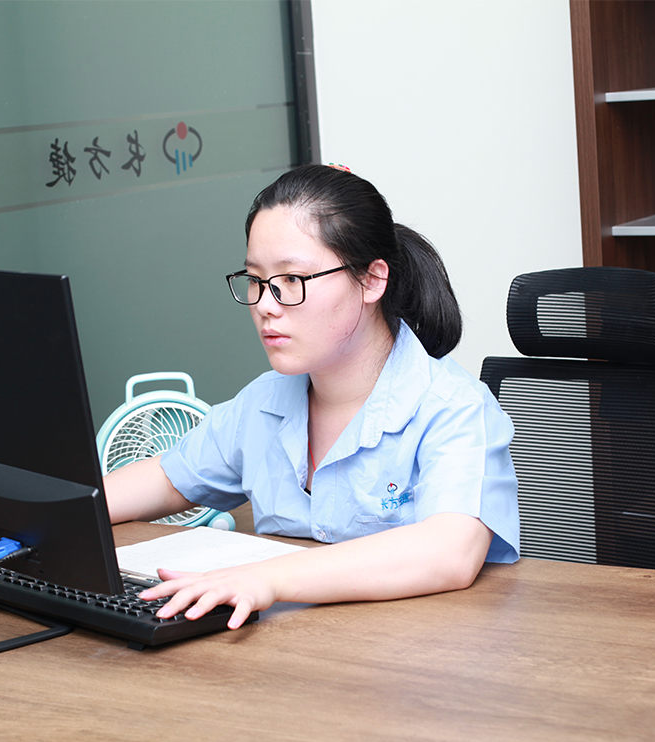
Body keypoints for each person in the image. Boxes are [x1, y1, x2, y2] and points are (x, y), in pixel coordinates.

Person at [104, 163, 519, 629]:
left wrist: (267, 579)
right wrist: (50, 513)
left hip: (420, 650)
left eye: (291, 280)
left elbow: (450, 551)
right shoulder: (263, 402)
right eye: (256, 280)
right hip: (291, 647)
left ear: (371, 280)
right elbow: (167, 479)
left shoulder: (453, 407)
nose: (265, 305)